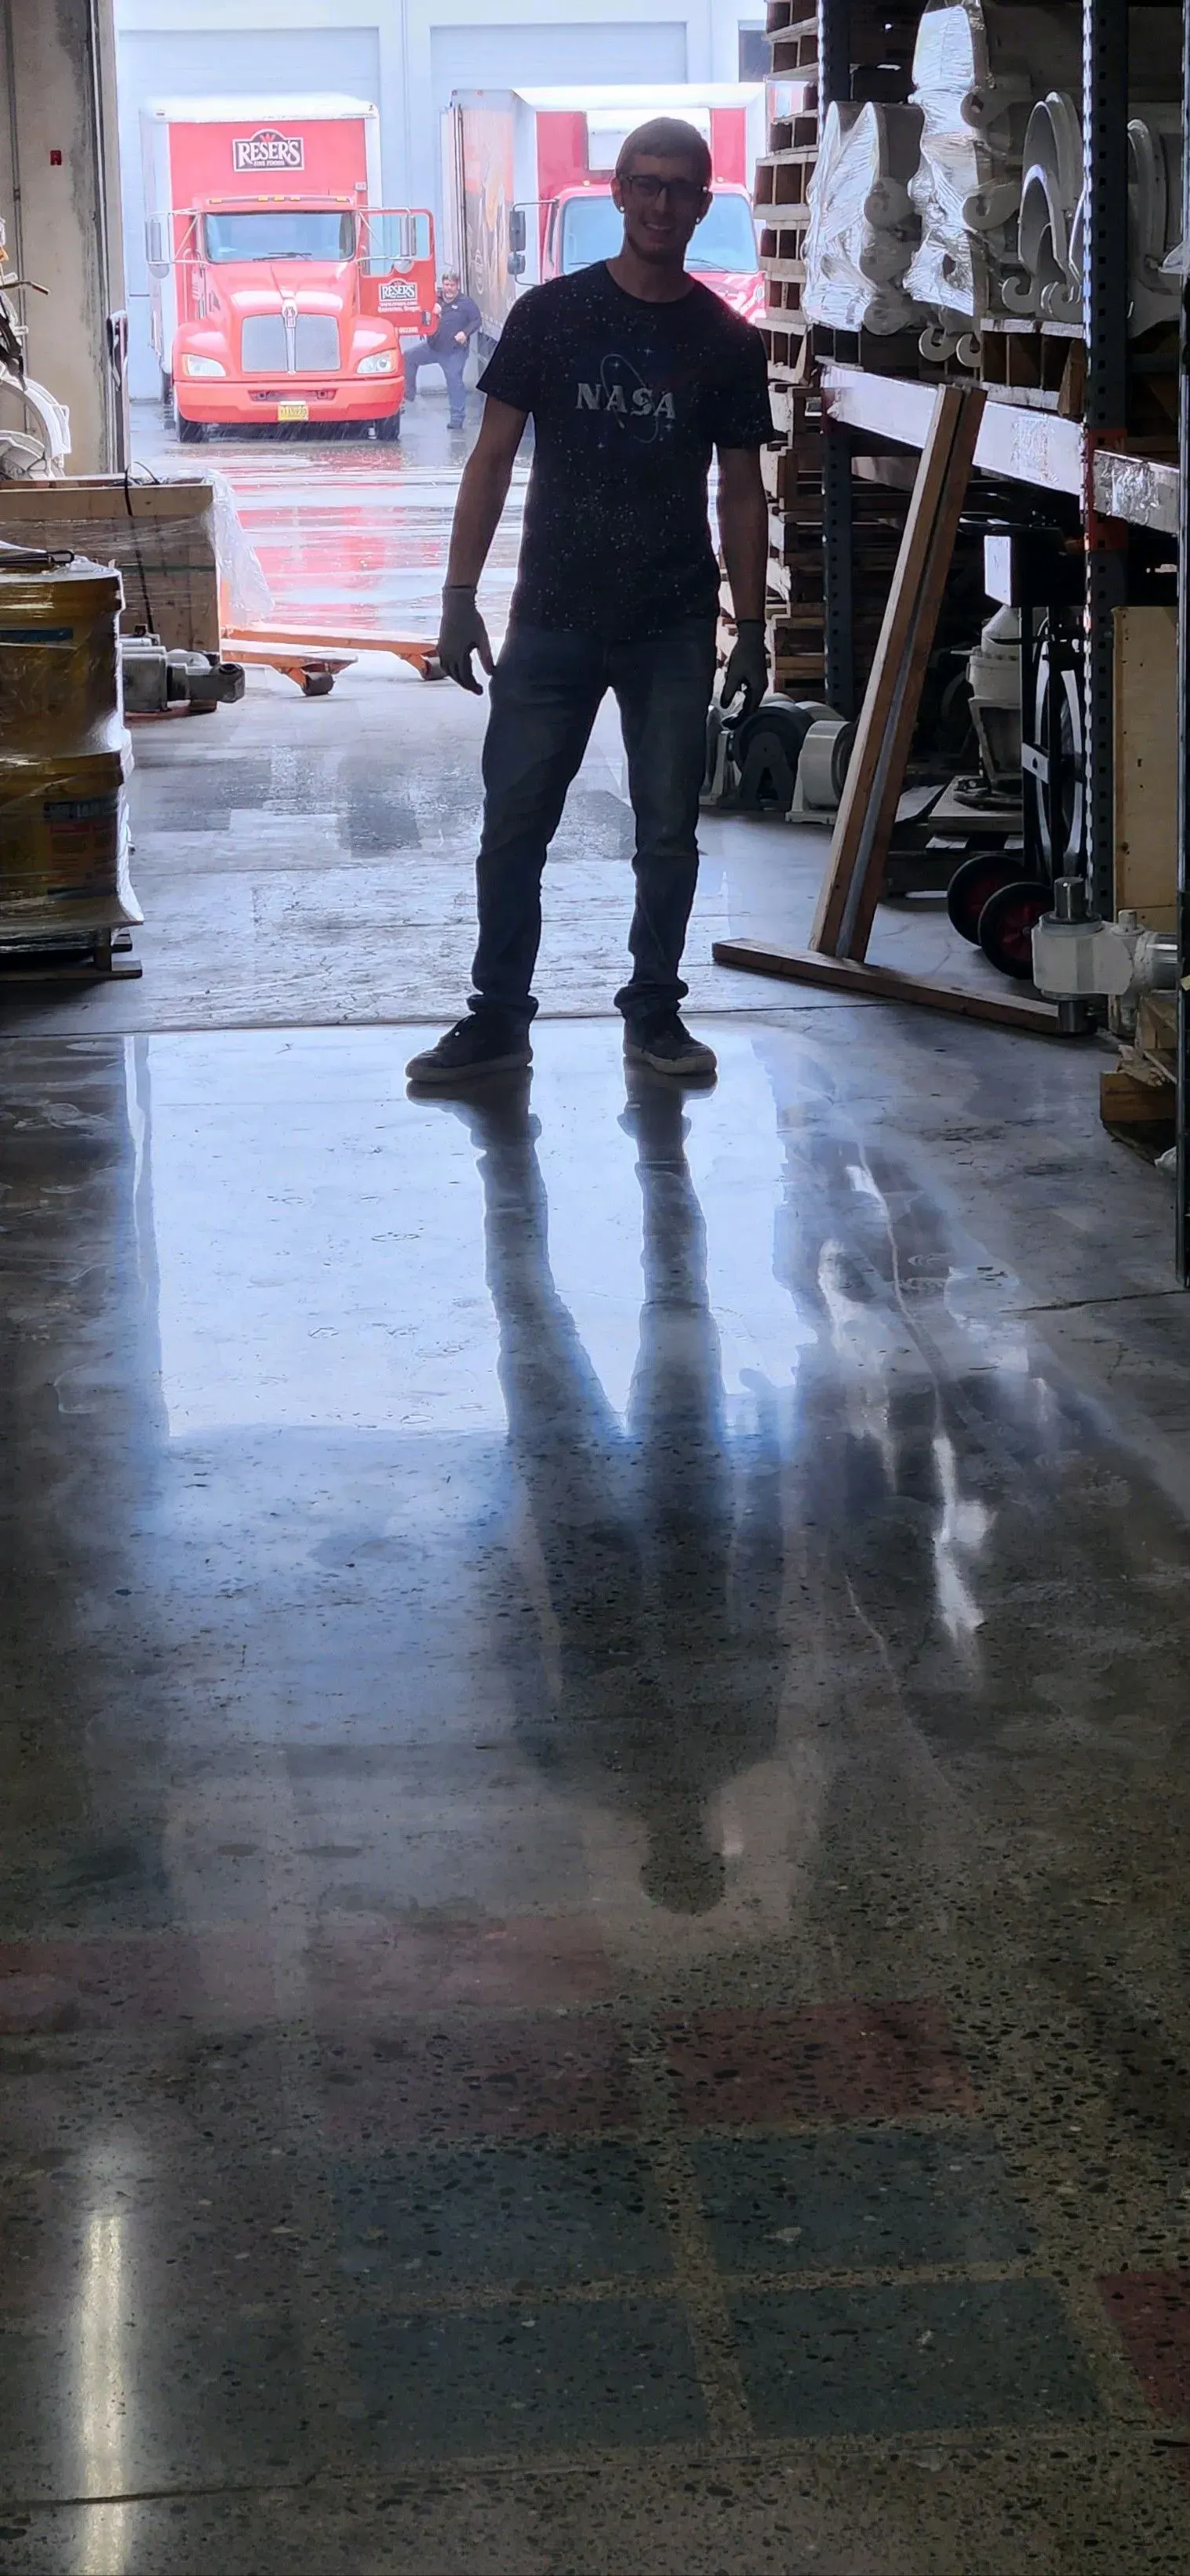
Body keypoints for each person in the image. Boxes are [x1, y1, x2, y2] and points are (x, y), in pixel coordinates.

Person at [406, 115, 773, 1087]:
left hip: (671, 621)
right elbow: (488, 461)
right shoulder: (550, 316)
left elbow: (741, 488)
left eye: (679, 188)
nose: (659, 203)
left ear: (703, 202)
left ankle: (654, 1011)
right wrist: (456, 596)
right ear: (617, 191)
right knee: (513, 827)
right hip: (552, 616)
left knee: (666, 831)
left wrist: (752, 626)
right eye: (643, 184)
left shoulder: (725, 341)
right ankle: (496, 1019)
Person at [404, 271, 481, 431]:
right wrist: (431, 311)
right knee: (409, 357)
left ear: (457, 286)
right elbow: (418, 313)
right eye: (447, 285)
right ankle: (409, 394)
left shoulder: (466, 303)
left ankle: (457, 420)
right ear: (443, 284)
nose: (449, 289)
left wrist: (465, 333)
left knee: (454, 383)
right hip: (432, 348)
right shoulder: (435, 299)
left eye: (452, 285)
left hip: (454, 352)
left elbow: (477, 320)